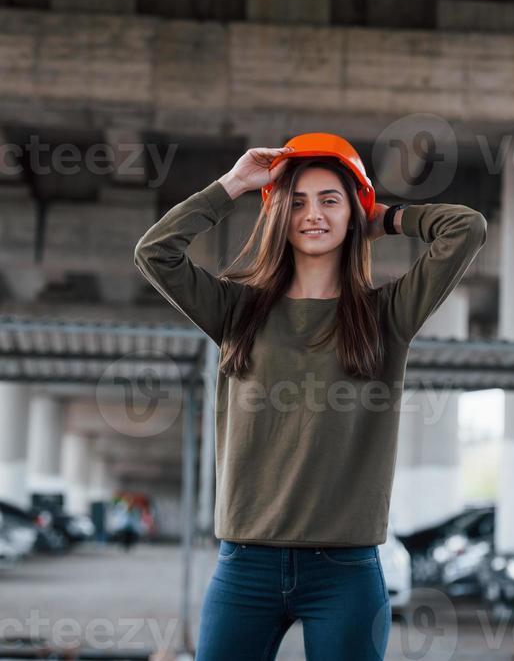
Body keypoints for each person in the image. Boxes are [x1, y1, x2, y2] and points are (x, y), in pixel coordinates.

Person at [134, 132, 487, 660]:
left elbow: (467, 228)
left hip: (344, 573)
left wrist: (383, 216)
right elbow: (154, 254)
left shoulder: (388, 316)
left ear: (353, 213)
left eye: (330, 200)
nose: (312, 214)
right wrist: (232, 185)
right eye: (296, 202)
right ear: (278, 215)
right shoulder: (237, 311)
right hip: (245, 566)